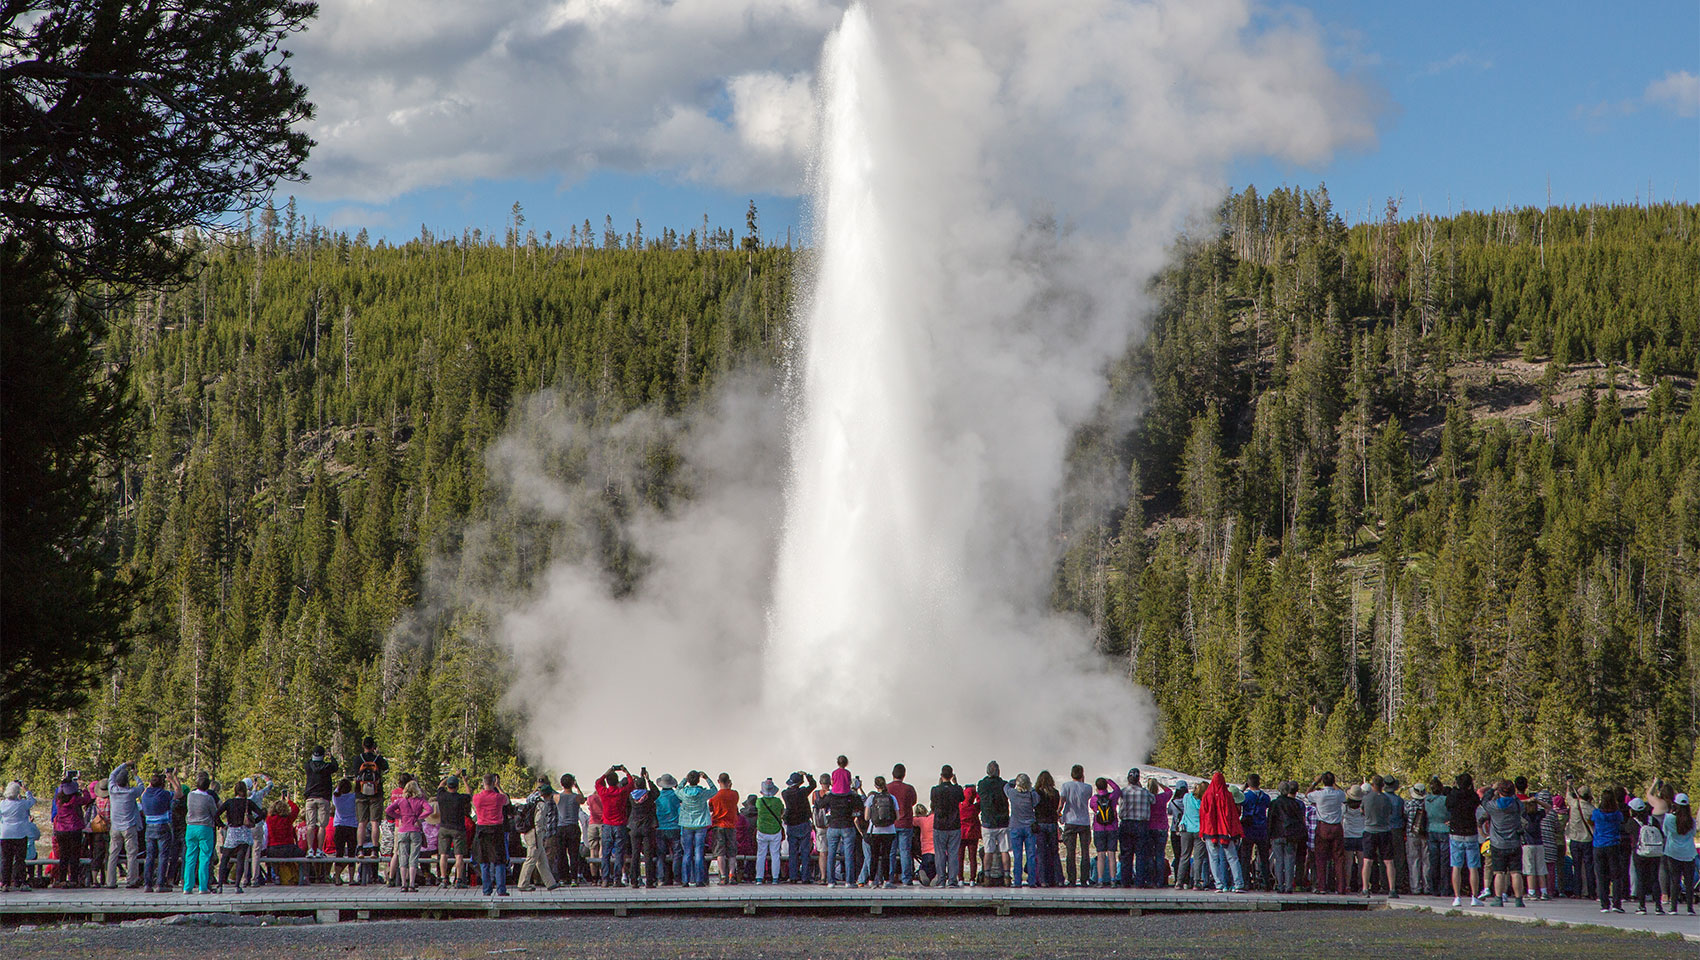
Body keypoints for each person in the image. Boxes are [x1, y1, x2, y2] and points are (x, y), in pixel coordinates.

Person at [1197, 772, 1244, 893]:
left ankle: (1219, 884)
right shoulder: (1227, 795)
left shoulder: (1207, 795)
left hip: (1210, 831)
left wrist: (1202, 832)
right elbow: (1232, 815)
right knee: (1232, 858)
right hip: (1225, 831)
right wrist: (1235, 832)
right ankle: (1238, 883)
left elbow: (1203, 815)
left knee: (1213, 858)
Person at [1482, 779, 1525, 907]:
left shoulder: (1493, 806)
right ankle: (1518, 899)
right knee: (1516, 872)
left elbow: (1483, 801)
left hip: (1497, 843)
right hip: (1514, 842)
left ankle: (1498, 898)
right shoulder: (1517, 805)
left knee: (1499, 872)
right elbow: (1519, 803)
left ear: (1499, 792)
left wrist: (1492, 789)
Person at [216, 780, 264, 893]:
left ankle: (220, 885)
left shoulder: (229, 802)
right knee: (241, 859)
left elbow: (216, 814)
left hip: (232, 831)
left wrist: (222, 826)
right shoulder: (248, 802)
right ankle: (237, 885)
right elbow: (261, 813)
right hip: (245, 831)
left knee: (225, 858)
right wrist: (254, 822)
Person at [1444, 772, 1483, 906]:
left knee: (1456, 866)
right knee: (1473, 867)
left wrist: (1454, 788)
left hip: (1456, 832)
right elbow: (1478, 802)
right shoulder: (1473, 797)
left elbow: (1448, 804)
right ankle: (1474, 896)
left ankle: (1457, 897)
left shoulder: (1453, 796)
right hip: (1470, 832)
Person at [385, 780, 430, 892]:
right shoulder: (420, 801)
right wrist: (420, 817)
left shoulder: (401, 801)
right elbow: (430, 809)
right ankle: (411, 884)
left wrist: (399, 816)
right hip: (415, 830)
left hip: (402, 830)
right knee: (413, 858)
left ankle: (403, 884)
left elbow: (388, 810)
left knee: (403, 857)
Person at [51, 771, 94, 887]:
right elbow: (87, 799)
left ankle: (61, 879)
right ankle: (73, 879)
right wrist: (83, 788)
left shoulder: (58, 800)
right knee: (74, 855)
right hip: (74, 829)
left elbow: (61, 790)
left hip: (61, 830)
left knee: (64, 855)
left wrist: (66, 781)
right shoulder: (75, 800)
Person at [1306, 773, 1346, 896]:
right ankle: (1340, 887)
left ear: (1322, 781)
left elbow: (1307, 794)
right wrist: (1334, 784)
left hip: (1323, 826)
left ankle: (1322, 886)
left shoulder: (1319, 794)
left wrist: (1315, 782)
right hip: (1336, 826)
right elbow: (1344, 794)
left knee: (1320, 858)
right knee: (1339, 859)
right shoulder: (1338, 794)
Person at [105, 762, 143, 888]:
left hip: (115, 827)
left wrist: (124, 765)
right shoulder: (131, 792)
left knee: (113, 854)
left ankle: (110, 881)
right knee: (131, 854)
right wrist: (135, 775)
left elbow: (111, 774)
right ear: (127, 782)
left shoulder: (112, 790)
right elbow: (141, 786)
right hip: (129, 826)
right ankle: (131, 880)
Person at [139, 770, 178, 892]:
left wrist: (151, 783)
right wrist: (172, 778)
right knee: (163, 855)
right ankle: (160, 883)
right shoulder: (164, 794)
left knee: (150, 855)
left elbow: (144, 792)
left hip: (149, 826)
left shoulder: (145, 795)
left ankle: (147, 884)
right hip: (162, 825)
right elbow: (179, 792)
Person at [595, 765, 634, 887]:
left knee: (605, 853)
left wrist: (607, 772)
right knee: (619, 853)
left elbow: (597, 782)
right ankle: (617, 879)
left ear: (607, 782)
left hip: (607, 825)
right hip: (620, 825)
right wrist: (626, 771)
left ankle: (605, 879)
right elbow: (631, 783)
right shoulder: (621, 792)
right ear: (617, 781)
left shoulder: (604, 792)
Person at [1360, 776, 1398, 898]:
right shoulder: (1387, 799)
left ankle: (1365, 888)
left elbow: (1362, 811)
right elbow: (1390, 813)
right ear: (1383, 786)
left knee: (1367, 861)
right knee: (1388, 861)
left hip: (1370, 830)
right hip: (1384, 830)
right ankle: (1392, 889)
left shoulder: (1366, 798)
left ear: (1372, 785)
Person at [181, 773, 219, 894]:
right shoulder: (208, 798)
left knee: (190, 857)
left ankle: (187, 887)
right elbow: (214, 812)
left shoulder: (190, 795)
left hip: (191, 827)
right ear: (207, 787)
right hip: (205, 827)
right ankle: (203, 887)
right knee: (205, 858)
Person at [473, 773, 510, 896]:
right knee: (499, 860)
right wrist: (499, 787)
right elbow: (507, 800)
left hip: (482, 829)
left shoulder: (477, 797)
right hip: (497, 829)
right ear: (494, 783)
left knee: (484, 861)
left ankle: (486, 889)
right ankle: (501, 889)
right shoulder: (498, 797)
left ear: (483, 783)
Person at [1591, 785, 1626, 912]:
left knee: (1601, 876)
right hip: (1613, 844)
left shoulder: (1596, 813)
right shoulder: (1617, 814)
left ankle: (1604, 904)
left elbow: (1592, 821)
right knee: (1616, 876)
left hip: (1599, 845)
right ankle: (1617, 903)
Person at [352, 737, 390, 857]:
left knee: (362, 823)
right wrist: (379, 755)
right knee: (374, 823)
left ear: (363, 745)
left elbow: (355, 773)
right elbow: (386, 767)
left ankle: (360, 848)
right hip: (376, 793)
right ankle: (374, 848)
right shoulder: (377, 759)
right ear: (373, 746)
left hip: (360, 793)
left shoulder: (358, 759)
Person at [930, 765, 966, 888]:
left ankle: (941, 880)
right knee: (953, 853)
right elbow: (962, 798)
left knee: (940, 854)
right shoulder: (957, 789)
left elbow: (933, 802)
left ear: (941, 775)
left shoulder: (935, 790)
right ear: (952, 776)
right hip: (954, 825)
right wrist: (956, 783)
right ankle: (952, 880)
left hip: (939, 825)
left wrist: (939, 784)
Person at [676, 771, 714, 887]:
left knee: (687, 853)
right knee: (698, 853)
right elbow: (714, 790)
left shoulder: (683, 793)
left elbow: (677, 789)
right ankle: (699, 880)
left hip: (687, 825)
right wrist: (707, 778)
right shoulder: (703, 793)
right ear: (698, 780)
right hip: (701, 825)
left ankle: (685, 880)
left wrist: (684, 779)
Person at [1660, 793, 1695, 915]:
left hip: (1673, 851)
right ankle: (1690, 908)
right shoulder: (1691, 821)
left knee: (1675, 880)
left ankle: (1673, 907)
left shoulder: (1669, 818)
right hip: (1689, 852)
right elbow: (1693, 834)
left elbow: (1665, 832)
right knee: (1689, 881)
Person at [1058, 764, 1093, 887]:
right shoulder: (1088, 787)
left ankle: (1072, 879)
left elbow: (1062, 801)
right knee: (1085, 852)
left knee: (1070, 852)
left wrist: (1059, 813)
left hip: (1070, 821)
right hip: (1084, 822)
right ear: (1082, 774)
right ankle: (1084, 879)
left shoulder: (1066, 786)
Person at [822, 777, 861, 887]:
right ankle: (849, 881)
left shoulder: (831, 796)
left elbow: (820, 804)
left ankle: (831, 881)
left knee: (831, 855)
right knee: (849, 854)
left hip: (833, 826)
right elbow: (860, 806)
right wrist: (855, 791)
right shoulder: (851, 796)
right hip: (847, 825)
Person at [433, 774, 471, 888]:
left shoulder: (441, 796)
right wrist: (465, 780)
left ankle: (444, 878)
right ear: (457, 786)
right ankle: (458, 880)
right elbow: (469, 794)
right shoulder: (460, 798)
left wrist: (452, 775)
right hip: (458, 828)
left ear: (448, 786)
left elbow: (440, 785)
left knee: (443, 855)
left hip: (444, 828)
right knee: (459, 856)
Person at [1116, 768, 1151, 888]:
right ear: (1138, 779)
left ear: (1128, 779)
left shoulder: (1123, 791)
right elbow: (1154, 800)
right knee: (1140, 854)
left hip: (1126, 824)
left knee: (1126, 854)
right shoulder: (1145, 792)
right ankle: (1139, 882)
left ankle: (1125, 881)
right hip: (1141, 825)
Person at [977, 761, 1010, 886]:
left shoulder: (982, 784)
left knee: (988, 851)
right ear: (998, 771)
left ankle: (987, 877)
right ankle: (1007, 877)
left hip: (988, 823)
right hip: (1003, 822)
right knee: (1004, 851)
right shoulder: (1004, 785)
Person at [302, 745, 338, 859]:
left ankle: (310, 850)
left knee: (310, 825)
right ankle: (319, 850)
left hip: (310, 798)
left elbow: (306, 761)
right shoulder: (327, 767)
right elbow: (335, 766)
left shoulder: (308, 766)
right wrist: (331, 756)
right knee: (322, 826)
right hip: (323, 798)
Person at [1268, 781, 1305, 893]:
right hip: (1291, 835)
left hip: (1277, 834)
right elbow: (1300, 821)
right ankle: (1289, 886)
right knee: (1290, 860)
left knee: (1278, 861)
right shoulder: (1295, 804)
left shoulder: (1274, 803)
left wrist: (1268, 836)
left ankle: (1280, 885)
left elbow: (1270, 821)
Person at [781, 772, 816, 885]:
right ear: (800, 783)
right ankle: (805, 877)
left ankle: (793, 877)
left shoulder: (785, 793)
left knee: (793, 852)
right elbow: (813, 785)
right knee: (805, 853)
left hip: (791, 825)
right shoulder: (802, 792)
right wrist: (807, 775)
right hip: (804, 824)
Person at [625, 771, 658, 889]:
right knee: (648, 855)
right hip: (647, 827)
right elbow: (656, 793)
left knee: (635, 855)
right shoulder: (648, 795)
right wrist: (649, 780)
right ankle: (650, 881)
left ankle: (634, 880)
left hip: (634, 827)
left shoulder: (631, 796)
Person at [2, 781, 36, 893]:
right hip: (20, 833)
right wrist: (27, 791)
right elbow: (32, 801)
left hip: (5, 834)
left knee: (6, 859)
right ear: (17, 793)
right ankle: (20, 881)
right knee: (19, 859)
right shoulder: (22, 804)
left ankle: (5, 883)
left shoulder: (2, 804)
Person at [864, 776, 898, 888]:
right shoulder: (892, 798)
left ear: (875, 786)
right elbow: (897, 816)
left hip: (874, 831)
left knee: (874, 856)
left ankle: (872, 881)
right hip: (889, 831)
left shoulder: (871, 798)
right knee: (886, 856)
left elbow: (866, 817)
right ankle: (886, 881)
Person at [1239, 774, 1271, 891]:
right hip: (1262, 828)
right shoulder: (1265, 797)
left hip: (1249, 828)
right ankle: (1266, 882)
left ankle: (1246, 881)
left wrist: (1243, 788)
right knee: (1263, 857)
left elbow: (1237, 798)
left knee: (1245, 856)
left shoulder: (1246, 796)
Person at [555, 774, 589, 886]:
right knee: (574, 854)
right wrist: (577, 787)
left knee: (561, 854)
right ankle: (574, 878)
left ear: (561, 784)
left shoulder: (557, 797)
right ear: (572, 783)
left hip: (561, 827)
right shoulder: (576, 797)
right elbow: (583, 799)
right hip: (573, 827)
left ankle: (562, 878)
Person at [1005, 773, 1038, 888]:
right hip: (1029, 827)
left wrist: (1013, 781)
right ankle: (1032, 881)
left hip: (1015, 827)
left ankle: (1017, 881)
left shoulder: (1012, 794)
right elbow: (1037, 801)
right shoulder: (1031, 795)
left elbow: (1006, 787)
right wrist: (1031, 787)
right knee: (1031, 855)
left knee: (1017, 855)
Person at [1032, 770, 1062, 888]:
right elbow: (1056, 808)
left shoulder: (1036, 793)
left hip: (1041, 824)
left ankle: (1043, 880)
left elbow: (1034, 807)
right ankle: (1059, 879)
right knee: (1054, 853)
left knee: (1041, 853)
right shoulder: (1055, 793)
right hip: (1052, 824)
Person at [1089, 776, 1120, 887]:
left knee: (1100, 854)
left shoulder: (1094, 799)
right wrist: (1109, 781)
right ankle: (1113, 880)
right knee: (1112, 855)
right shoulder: (1112, 796)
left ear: (1096, 787)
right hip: (1112, 827)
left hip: (1099, 828)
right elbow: (1118, 789)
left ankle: (1100, 880)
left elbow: (1093, 808)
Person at [709, 772, 739, 885]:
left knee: (720, 852)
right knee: (732, 852)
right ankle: (732, 875)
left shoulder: (714, 797)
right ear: (729, 782)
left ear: (718, 781)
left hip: (718, 826)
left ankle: (723, 876)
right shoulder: (735, 794)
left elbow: (711, 808)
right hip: (731, 826)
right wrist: (729, 788)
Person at [1521, 790, 1552, 901]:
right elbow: (1549, 807)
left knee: (1530, 870)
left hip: (1528, 844)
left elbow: (1516, 803)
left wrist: (1526, 801)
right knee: (1541, 869)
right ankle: (1544, 892)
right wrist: (1537, 801)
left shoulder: (1524, 815)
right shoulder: (1539, 815)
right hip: (1539, 844)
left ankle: (1532, 892)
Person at [753, 778, 785, 884]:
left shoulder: (759, 801)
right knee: (775, 854)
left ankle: (759, 878)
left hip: (762, 830)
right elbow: (782, 812)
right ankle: (775, 878)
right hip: (775, 830)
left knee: (761, 854)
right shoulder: (777, 801)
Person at [1422, 777, 1450, 896]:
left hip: (1431, 829)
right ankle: (1445, 887)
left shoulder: (1427, 800)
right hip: (1444, 829)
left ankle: (1433, 887)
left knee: (1433, 860)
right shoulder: (1445, 800)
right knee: (1444, 860)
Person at [653, 774, 681, 886]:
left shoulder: (658, 796)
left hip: (660, 827)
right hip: (674, 827)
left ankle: (661, 878)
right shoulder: (676, 795)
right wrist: (677, 786)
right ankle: (677, 878)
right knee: (677, 854)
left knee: (661, 855)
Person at [1146, 776, 1172, 888]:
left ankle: (1151, 880)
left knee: (1150, 855)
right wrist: (1160, 784)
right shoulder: (1162, 797)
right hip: (1162, 828)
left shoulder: (1147, 798)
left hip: (1150, 827)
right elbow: (1169, 791)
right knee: (1160, 854)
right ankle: (1160, 881)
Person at [1179, 778, 1205, 888]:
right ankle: (1196, 882)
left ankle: (1179, 882)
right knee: (1198, 858)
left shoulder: (1186, 797)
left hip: (1186, 830)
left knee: (1184, 856)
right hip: (1199, 831)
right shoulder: (1203, 802)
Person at [959, 785, 982, 885]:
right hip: (973, 833)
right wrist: (976, 792)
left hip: (961, 833)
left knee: (960, 857)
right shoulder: (975, 807)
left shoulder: (960, 806)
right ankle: (972, 879)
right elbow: (980, 800)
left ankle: (960, 878)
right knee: (972, 857)